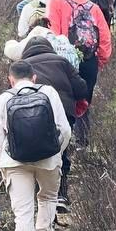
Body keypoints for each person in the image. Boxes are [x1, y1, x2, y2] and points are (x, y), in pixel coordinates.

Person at [0, 61, 71, 231]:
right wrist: (56, 154)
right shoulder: (49, 92)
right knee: (47, 197)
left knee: (23, 212)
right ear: (34, 78)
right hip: (48, 159)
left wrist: (2, 164)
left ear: (11, 80)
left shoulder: (3, 99)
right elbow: (64, 130)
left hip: (14, 162)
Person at [18, 35, 88, 214]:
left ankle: (37, 197)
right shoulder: (62, 62)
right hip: (62, 112)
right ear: (49, 47)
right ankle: (60, 195)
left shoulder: (22, 66)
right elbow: (81, 89)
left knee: (34, 153)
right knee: (60, 152)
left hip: (29, 116)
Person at [46, 0, 112, 145]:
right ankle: (82, 143)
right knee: (84, 103)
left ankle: (63, 144)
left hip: (64, 61)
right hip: (89, 60)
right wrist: (99, 63)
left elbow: (53, 33)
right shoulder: (94, 8)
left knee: (63, 103)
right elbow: (104, 38)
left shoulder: (56, 2)